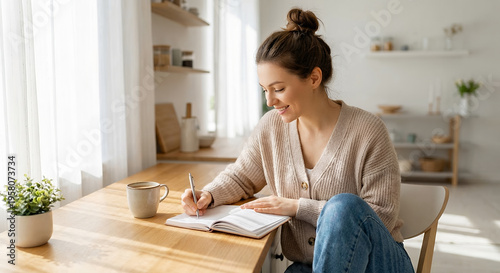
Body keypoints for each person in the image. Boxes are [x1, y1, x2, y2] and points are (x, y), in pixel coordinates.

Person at [181, 8, 414, 273]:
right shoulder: (271, 127)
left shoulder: (368, 131)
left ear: (314, 78)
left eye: (278, 89)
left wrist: (298, 208)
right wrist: (208, 195)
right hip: (309, 266)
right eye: (265, 90)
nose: (269, 102)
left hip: (378, 264)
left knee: (344, 207)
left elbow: (378, 216)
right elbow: (242, 176)